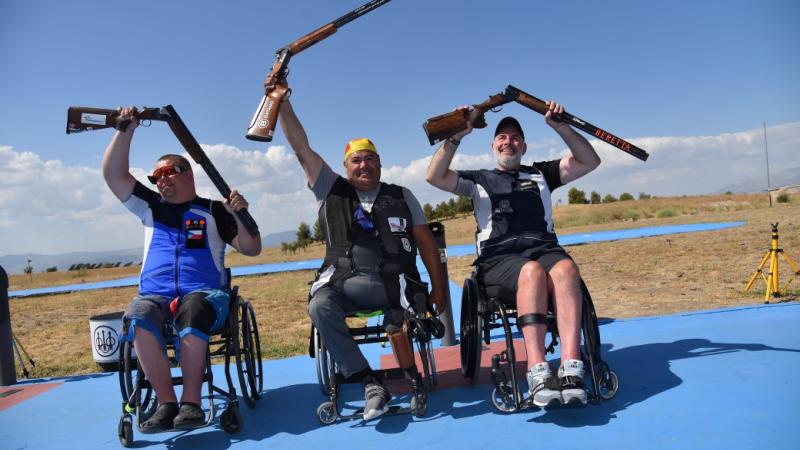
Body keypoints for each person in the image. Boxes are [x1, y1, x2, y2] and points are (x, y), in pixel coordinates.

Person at [277, 89, 447, 421]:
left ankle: (411, 376)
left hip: (395, 283)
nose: (364, 165)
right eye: (356, 160)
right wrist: (283, 103)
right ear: (345, 166)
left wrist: (438, 287)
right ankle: (370, 382)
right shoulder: (330, 187)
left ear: (380, 163)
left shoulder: (403, 195)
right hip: (343, 282)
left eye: (370, 158)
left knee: (402, 310)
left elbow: (426, 243)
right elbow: (300, 148)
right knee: (319, 306)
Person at [426, 102, 601, 407]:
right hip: (498, 260)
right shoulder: (477, 180)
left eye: (515, 137)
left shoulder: (542, 174)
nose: (509, 142)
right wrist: (457, 134)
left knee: (567, 270)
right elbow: (435, 176)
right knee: (531, 272)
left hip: (544, 249)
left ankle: (572, 366)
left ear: (524, 146)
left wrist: (559, 125)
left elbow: (590, 161)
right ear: (493, 145)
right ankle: (537, 371)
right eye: (502, 137)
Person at [102, 106, 262, 431]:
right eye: (155, 177)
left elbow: (252, 247)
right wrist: (125, 129)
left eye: (167, 173)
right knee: (137, 315)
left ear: (188, 173)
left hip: (206, 297)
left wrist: (238, 215)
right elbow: (113, 175)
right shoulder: (149, 207)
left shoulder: (214, 211)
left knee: (193, 307)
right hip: (155, 298)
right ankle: (166, 404)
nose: (160, 181)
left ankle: (191, 403)